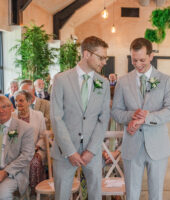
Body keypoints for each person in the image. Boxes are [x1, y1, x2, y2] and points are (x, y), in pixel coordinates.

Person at [111, 38, 170, 200]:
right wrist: (132, 117)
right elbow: (116, 112)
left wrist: (147, 117)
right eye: (134, 60)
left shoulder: (165, 80)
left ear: (151, 56)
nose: (138, 64)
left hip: (158, 145)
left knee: (156, 194)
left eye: (142, 60)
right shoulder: (123, 81)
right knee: (132, 194)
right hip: (132, 145)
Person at [50, 36, 110, 200]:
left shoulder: (103, 83)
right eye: (101, 57)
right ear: (86, 54)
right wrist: (70, 151)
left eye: (106, 58)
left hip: (93, 151)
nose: (104, 62)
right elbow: (56, 118)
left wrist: (91, 150)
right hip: (65, 151)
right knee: (62, 195)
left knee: (95, 195)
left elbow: (103, 119)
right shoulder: (61, 80)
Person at [0, 96, 35, 199]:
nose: (1, 111)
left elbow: (26, 155)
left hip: (14, 173)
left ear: (11, 108)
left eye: (4, 107)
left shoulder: (24, 128)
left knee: (2, 195)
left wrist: (5, 172)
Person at [12, 90, 46, 193]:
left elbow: (43, 135)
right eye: (16, 101)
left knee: (34, 162)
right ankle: (20, 190)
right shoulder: (12, 116)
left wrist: (36, 147)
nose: (18, 103)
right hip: (17, 151)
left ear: (29, 101)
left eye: (21, 100)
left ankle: (34, 190)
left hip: (36, 148)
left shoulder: (38, 115)